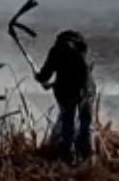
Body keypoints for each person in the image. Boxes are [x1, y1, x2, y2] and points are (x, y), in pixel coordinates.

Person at [35, 30, 96, 162]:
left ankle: (67, 153)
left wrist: (39, 77)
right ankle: (87, 153)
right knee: (86, 123)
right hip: (87, 91)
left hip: (68, 92)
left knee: (68, 120)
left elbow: (46, 74)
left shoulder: (57, 50)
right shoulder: (83, 49)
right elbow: (84, 73)